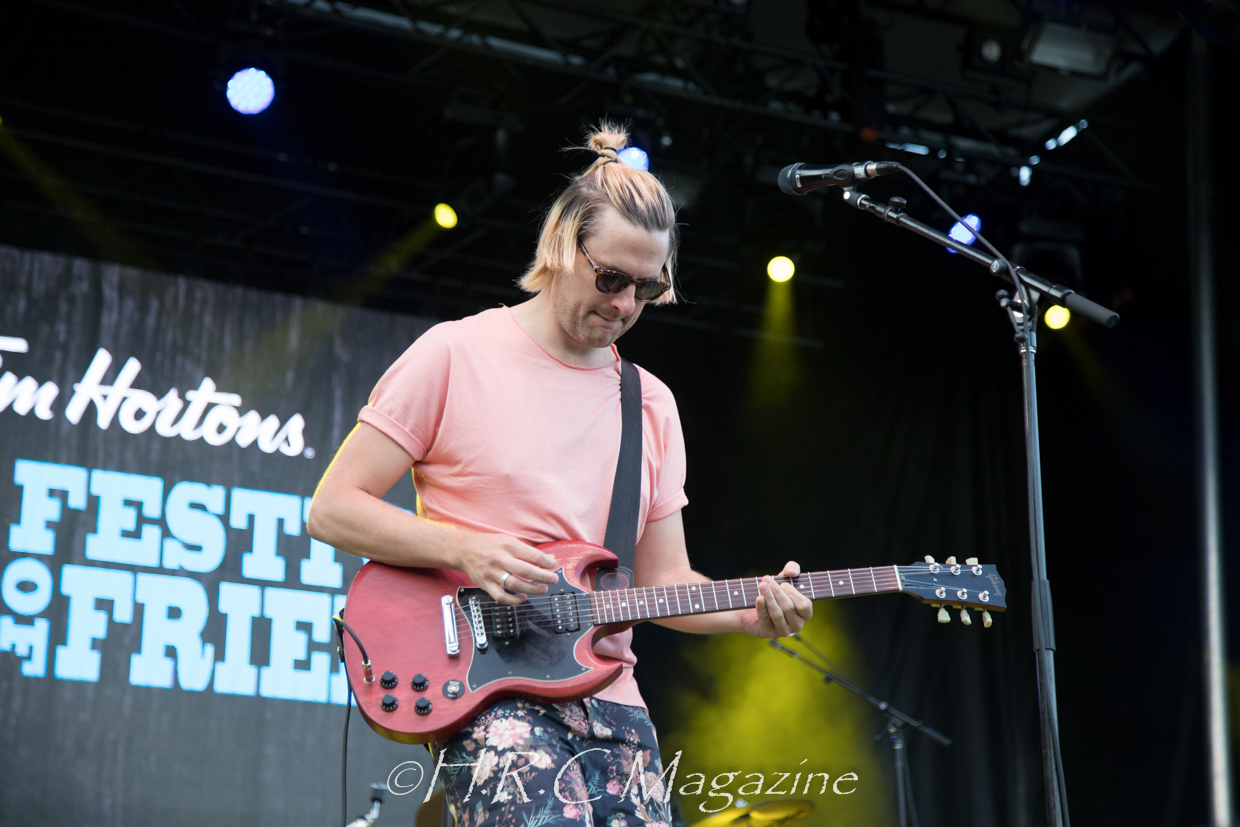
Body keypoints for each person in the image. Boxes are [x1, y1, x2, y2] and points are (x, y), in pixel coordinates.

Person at [307, 123, 813, 827]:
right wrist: (466, 548)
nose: (625, 304)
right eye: (611, 279)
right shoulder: (454, 353)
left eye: (647, 287)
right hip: (490, 695)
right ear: (562, 246)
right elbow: (332, 507)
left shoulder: (651, 403)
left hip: (612, 701)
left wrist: (749, 613)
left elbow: (664, 580)